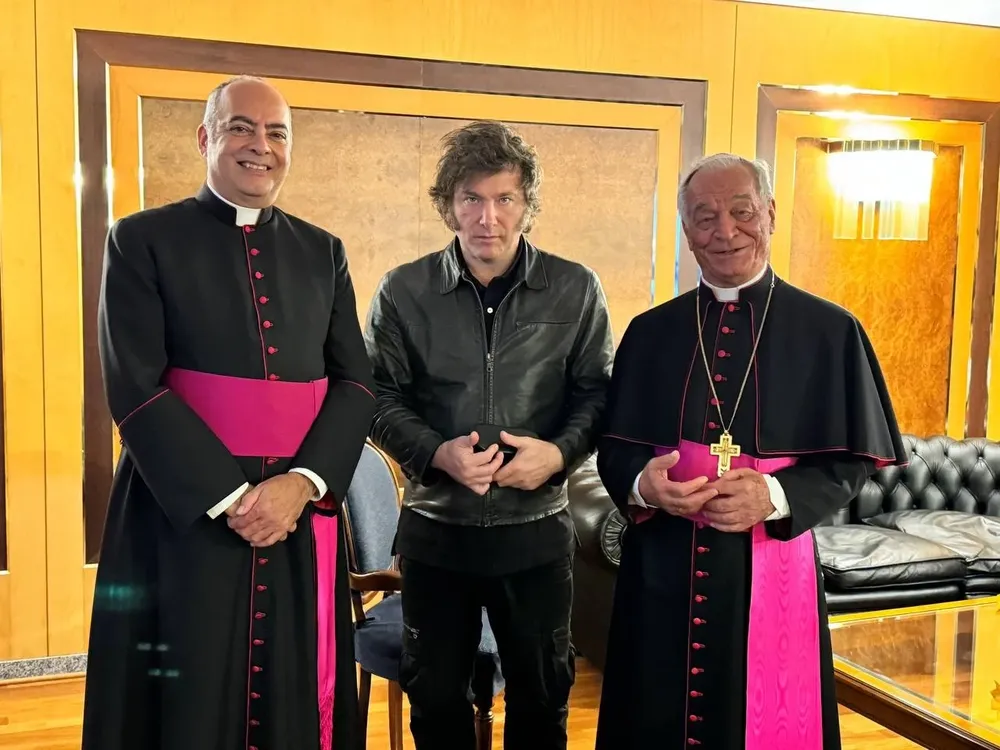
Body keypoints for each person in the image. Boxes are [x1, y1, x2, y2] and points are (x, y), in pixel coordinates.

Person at [82, 75, 375, 750]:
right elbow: (135, 385)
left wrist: (302, 485)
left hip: (298, 512)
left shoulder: (322, 252)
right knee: (184, 692)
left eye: (277, 133)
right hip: (185, 513)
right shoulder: (140, 240)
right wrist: (234, 498)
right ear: (205, 137)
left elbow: (356, 384)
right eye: (242, 127)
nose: (261, 146)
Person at [594, 153, 907, 749]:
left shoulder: (830, 330)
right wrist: (642, 485)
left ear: (769, 213)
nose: (725, 231)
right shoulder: (649, 331)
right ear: (686, 231)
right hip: (663, 565)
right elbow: (613, 447)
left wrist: (775, 494)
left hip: (769, 562)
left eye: (742, 212)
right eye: (705, 217)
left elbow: (853, 458)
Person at [364, 120, 614, 749]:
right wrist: (435, 453)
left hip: (536, 537)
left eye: (505, 199)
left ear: (528, 206)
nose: (488, 218)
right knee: (437, 704)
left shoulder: (577, 287)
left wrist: (557, 455)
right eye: (472, 198)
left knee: (541, 701)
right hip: (435, 536)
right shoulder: (403, 290)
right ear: (449, 205)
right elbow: (376, 396)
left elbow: (599, 394)